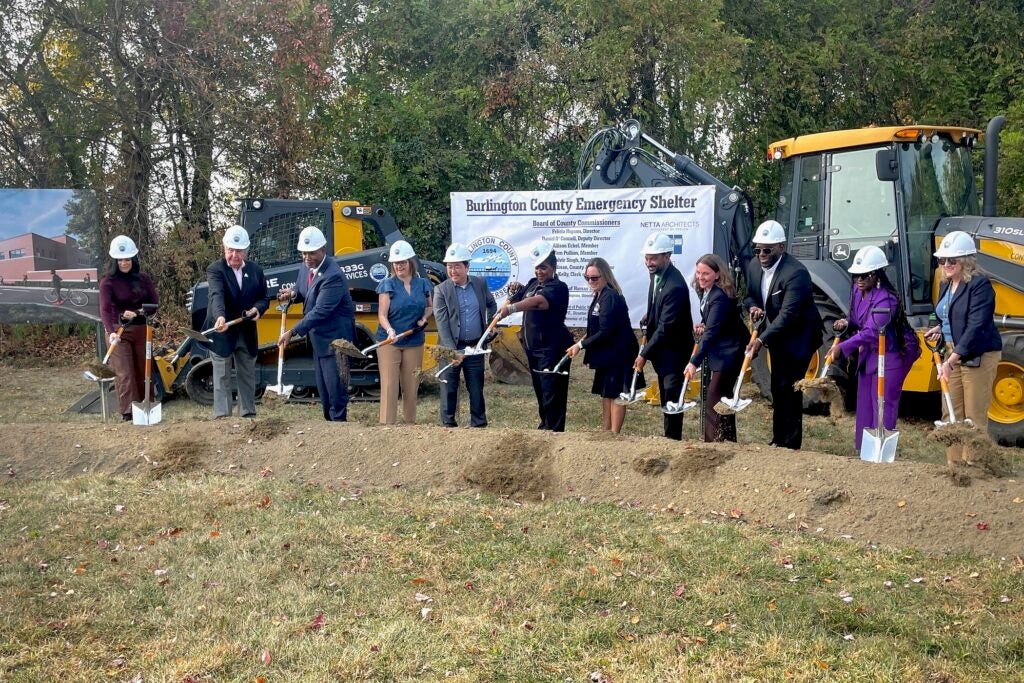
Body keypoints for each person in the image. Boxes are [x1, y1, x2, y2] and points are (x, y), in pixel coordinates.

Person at [924, 230, 1003, 465]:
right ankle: (955, 465)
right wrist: (937, 326)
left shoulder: (981, 286)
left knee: (973, 416)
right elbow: (941, 313)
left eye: (952, 260)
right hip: (951, 353)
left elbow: (976, 326)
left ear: (966, 260)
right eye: (942, 260)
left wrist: (951, 360)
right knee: (951, 413)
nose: (946, 264)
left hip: (977, 355)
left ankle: (975, 465)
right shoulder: (946, 283)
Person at [743, 219, 823, 450]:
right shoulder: (754, 266)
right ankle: (778, 439)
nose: (761, 254)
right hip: (776, 335)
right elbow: (749, 296)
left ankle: (791, 443)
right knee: (777, 387)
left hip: (799, 338)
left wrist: (760, 339)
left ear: (781, 247)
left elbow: (788, 315)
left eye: (767, 249)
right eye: (757, 249)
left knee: (790, 387)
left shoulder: (796, 273)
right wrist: (753, 308)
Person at [831, 246, 919, 451]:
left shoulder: (887, 298)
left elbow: (872, 330)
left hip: (890, 356)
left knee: (882, 403)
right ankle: (864, 450)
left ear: (877, 275)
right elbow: (857, 319)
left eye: (864, 275)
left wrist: (842, 348)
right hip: (869, 354)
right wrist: (846, 323)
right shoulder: (857, 290)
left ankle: (881, 450)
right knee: (865, 404)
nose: (859, 280)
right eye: (856, 276)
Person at [277, 225, 355, 422]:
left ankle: (339, 431)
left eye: (311, 253)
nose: (306, 257)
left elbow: (321, 311)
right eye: (303, 253)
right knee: (325, 394)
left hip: (335, 344)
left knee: (336, 394)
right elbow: (302, 289)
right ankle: (329, 433)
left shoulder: (333, 276)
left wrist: (292, 332)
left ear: (323, 249)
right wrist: (292, 294)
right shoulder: (306, 268)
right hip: (319, 342)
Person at [497, 239, 574, 432]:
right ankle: (545, 425)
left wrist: (512, 308)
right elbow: (521, 295)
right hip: (533, 349)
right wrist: (515, 291)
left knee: (552, 391)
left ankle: (554, 430)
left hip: (551, 349)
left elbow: (537, 302)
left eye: (544, 268)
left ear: (553, 267)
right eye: (537, 268)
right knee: (541, 391)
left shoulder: (558, 288)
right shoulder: (533, 283)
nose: (539, 272)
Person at [567, 257, 641, 434]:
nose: (590, 281)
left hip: (619, 353)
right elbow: (595, 327)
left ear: (605, 276)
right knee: (606, 392)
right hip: (607, 353)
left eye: (594, 278)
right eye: (587, 278)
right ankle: (606, 431)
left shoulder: (610, 297)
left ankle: (614, 434)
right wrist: (579, 342)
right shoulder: (599, 295)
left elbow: (605, 331)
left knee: (616, 393)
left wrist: (581, 346)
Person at [204, 225, 269, 419]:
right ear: (224, 248)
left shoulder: (256, 271)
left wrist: (258, 309)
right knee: (222, 375)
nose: (234, 255)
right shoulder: (215, 269)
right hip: (222, 330)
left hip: (247, 332)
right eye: (230, 250)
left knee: (247, 374)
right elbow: (216, 295)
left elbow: (264, 297)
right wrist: (220, 316)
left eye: (238, 251)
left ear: (246, 251)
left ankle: (247, 414)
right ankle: (222, 417)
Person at [634, 233, 693, 440]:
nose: (649, 262)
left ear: (667, 256)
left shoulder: (675, 286)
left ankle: (673, 440)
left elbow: (666, 327)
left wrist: (644, 354)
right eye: (647, 257)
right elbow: (658, 305)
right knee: (666, 394)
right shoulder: (658, 274)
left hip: (674, 353)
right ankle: (669, 437)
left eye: (654, 258)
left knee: (671, 397)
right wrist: (649, 315)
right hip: (664, 352)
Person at [684, 253, 747, 442]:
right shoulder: (708, 291)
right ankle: (728, 441)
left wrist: (693, 362)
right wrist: (704, 322)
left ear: (718, 274)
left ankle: (713, 444)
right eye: (698, 273)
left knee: (714, 397)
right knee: (724, 397)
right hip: (721, 350)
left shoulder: (719, 297)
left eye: (706, 273)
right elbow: (712, 322)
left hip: (729, 352)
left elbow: (711, 332)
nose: (701, 277)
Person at [433, 242, 496, 428]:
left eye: (457, 266)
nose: (453, 271)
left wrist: (492, 324)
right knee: (449, 388)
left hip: (475, 348)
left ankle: (478, 424)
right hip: (450, 348)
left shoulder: (479, 283)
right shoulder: (441, 290)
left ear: (467, 267)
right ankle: (448, 425)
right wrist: (453, 353)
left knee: (476, 388)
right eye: (449, 267)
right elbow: (442, 323)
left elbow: (492, 305)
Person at [99, 235, 159, 421]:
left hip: (141, 330)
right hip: (119, 331)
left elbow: (154, 304)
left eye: (128, 259)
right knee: (125, 372)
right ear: (115, 261)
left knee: (144, 370)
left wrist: (138, 312)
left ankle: (145, 408)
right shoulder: (107, 282)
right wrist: (110, 333)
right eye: (121, 260)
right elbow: (105, 310)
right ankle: (128, 413)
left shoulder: (143, 279)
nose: (125, 263)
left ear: (133, 259)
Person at [375, 240, 433, 425]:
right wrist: (390, 330)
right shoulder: (387, 285)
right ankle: (387, 425)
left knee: (411, 385)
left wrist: (424, 319)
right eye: (396, 263)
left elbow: (430, 307)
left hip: (414, 339)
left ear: (410, 262)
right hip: (389, 341)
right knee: (390, 385)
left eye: (402, 262)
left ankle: (410, 424)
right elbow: (382, 315)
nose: (399, 266)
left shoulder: (423, 284)